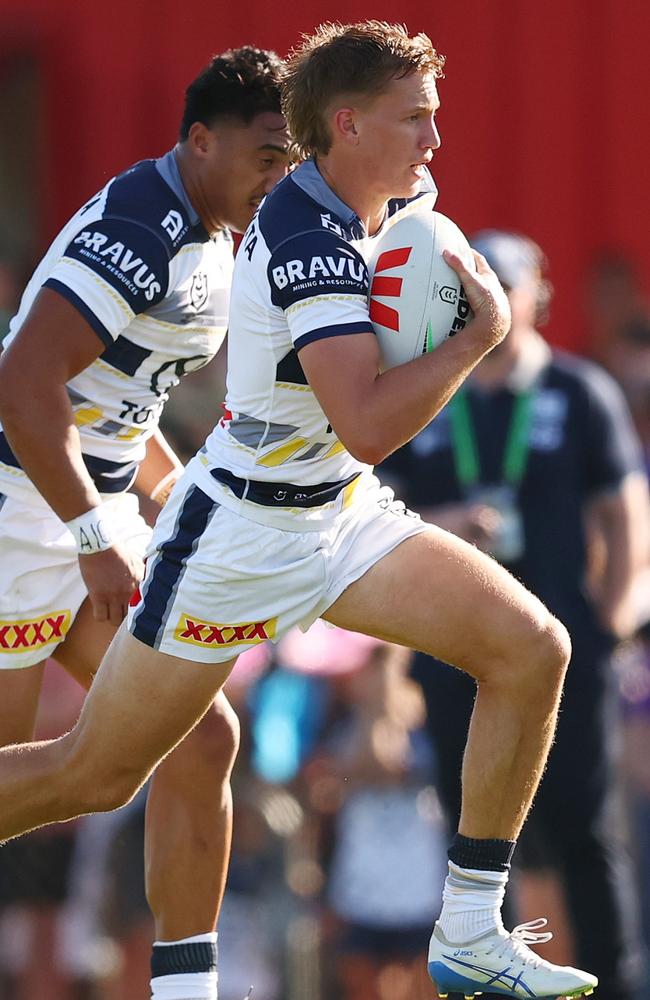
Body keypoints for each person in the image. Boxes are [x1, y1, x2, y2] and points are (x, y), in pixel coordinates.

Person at [0, 21, 599, 1000]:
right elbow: (360, 419)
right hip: (143, 526)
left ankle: (463, 930)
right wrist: (473, 336)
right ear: (347, 125)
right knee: (86, 774)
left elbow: (137, 410)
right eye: (415, 121)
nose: (433, 143)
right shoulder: (257, 231)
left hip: (329, 512)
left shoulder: (351, 206)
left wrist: (152, 492)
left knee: (530, 645)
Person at [0, 46, 290, 1000]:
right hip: (17, 516)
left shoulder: (211, 232)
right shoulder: (142, 225)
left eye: (289, 159)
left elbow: (122, 398)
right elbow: (24, 385)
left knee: (202, 735)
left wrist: (165, 496)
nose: (276, 178)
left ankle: (182, 987)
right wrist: (94, 536)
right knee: (12, 786)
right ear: (199, 141)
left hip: (79, 512)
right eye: (263, 156)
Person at [380, 229, 650, 1000]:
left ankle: (619, 983)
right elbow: (376, 514)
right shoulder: (427, 390)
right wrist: (446, 522)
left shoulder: (577, 391)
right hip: (455, 657)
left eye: (505, 283)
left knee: (586, 832)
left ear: (537, 294)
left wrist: (617, 614)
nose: (488, 299)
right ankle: (480, 985)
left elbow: (626, 506)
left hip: (569, 658)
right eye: (473, 285)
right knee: (474, 840)